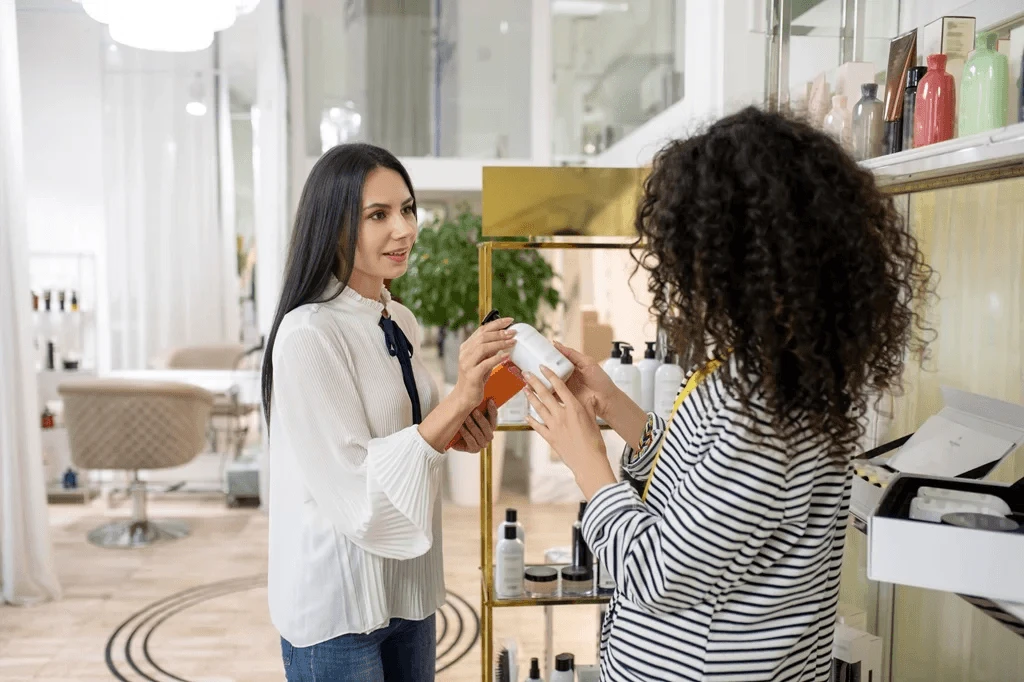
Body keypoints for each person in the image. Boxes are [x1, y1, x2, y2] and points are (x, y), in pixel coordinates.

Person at [522, 107, 933, 682]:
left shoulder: (767, 411)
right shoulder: (771, 374)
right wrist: (616, 409)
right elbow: (700, 484)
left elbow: (657, 573)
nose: (678, 272)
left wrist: (587, 461)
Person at [262, 143, 514, 681]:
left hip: (410, 591)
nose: (404, 229)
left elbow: (410, 438)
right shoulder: (309, 333)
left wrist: (459, 428)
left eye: (407, 209)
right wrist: (457, 400)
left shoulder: (398, 317)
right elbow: (356, 481)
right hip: (339, 606)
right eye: (378, 215)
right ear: (332, 228)